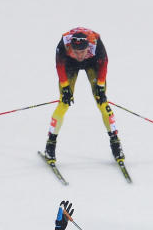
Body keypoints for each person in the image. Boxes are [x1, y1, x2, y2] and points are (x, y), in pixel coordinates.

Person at [44, 28, 123, 162]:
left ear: (88, 47)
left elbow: (104, 63)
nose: (80, 55)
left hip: (92, 63)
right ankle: (50, 144)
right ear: (71, 48)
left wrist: (100, 85)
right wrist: (65, 87)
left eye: (82, 52)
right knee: (64, 103)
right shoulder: (64, 44)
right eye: (76, 52)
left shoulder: (96, 42)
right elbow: (59, 66)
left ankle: (115, 142)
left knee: (102, 102)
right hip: (70, 64)